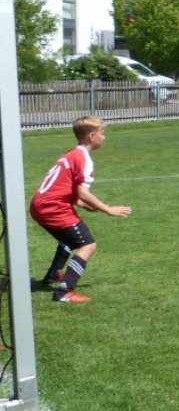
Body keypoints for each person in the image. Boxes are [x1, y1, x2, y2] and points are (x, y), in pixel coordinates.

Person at [30, 115, 132, 303]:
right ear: (92, 136)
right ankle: (64, 292)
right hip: (53, 207)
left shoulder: (71, 153)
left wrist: (86, 206)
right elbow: (83, 193)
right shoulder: (84, 158)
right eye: (102, 133)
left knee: (68, 240)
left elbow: (69, 190)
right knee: (88, 245)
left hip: (39, 204)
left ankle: (53, 274)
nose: (104, 137)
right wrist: (107, 209)